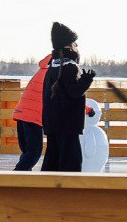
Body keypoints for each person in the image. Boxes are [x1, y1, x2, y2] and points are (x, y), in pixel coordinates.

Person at [41, 22, 95, 172]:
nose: (77, 46)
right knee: (71, 160)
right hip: (67, 123)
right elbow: (74, 92)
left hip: (52, 122)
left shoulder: (52, 67)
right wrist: (86, 80)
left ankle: (47, 189)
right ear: (69, 46)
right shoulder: (70, 66)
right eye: (75, 43)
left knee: (53, 158)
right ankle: (70, 191)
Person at [11, 53, 51, 171]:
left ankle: (23, 180)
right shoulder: (54, 73)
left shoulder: (42, 70)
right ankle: (16, 178)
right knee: (34, 152)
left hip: (21, 113)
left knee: (27, 152)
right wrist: (88, 110)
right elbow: (67, 96)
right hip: (33, 116)